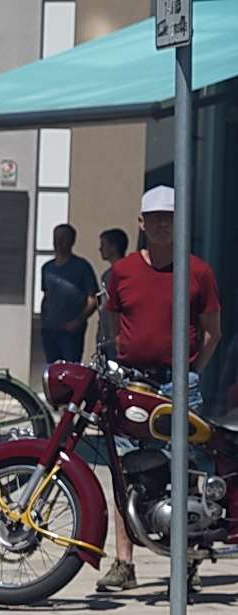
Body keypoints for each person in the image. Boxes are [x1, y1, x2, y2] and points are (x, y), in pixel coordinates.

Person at [94, 186, 222, 592]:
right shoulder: (123, 272)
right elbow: (116, 329)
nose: (163, 223)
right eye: (156, 217)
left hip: (178, 384)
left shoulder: (197, 271)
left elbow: (211, 333)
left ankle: (185, 564)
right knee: (124, 471)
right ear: (141, 222)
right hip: (132, 381)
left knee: (182, 472)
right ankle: (123, 563)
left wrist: (189, 373)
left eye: (170, 216)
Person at [38, 223, 98, 366]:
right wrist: (42, 321)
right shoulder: (47, 268)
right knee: (52, 369)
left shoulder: (82, 267)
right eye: (55, 239)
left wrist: (79, 320)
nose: (58, 243)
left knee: (70, 369)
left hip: (70, 332)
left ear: (72, 241)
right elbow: (47, 296)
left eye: (62, 239)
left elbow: (94, 298)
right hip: (50, 329)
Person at [95, 226, 129, 351]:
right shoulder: (106, 275)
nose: (100, 249)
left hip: (119, 335)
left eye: (103, 245)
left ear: (114, 247)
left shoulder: (126, 273)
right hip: (105, 333)